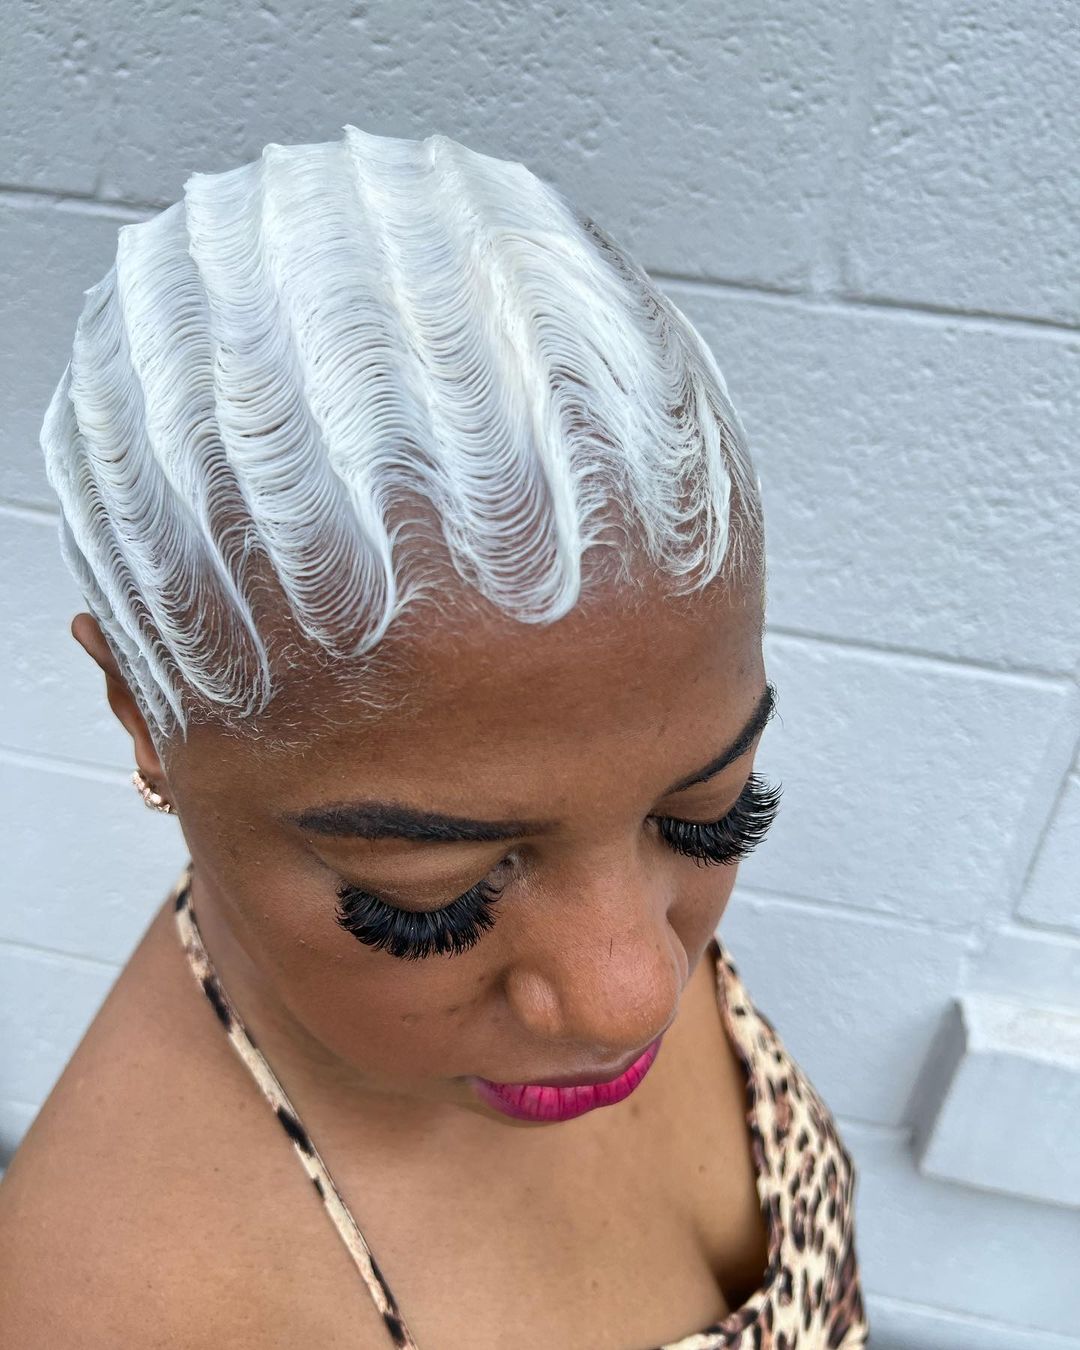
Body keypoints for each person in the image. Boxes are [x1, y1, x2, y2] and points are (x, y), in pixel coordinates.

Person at [0, 125, 869, 1349]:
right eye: (433, 901)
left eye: (710, 817)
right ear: (145, 716)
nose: (635, 995)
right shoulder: (126, 1313)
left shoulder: (597, 920)